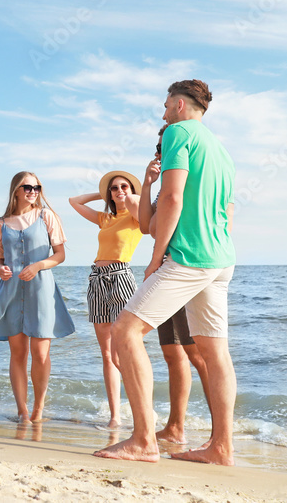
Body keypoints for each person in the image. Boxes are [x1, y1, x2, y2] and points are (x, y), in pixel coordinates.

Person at [95, 79, 236, 466]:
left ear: (177, 105)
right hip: (221, 258)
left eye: (164, 106)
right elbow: (227, 210)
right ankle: (222, 448)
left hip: (188, 256)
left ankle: (143, 440)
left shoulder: (177, 132)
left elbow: (172, 198)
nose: (162, 113)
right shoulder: (220, 149)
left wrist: (157, 258)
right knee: (215, 352)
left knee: (125, 332)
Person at [0, 171, 74, 423]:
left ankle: (38, 408)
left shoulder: (47, 216)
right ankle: (22, 411)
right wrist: (1, 268)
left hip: (41, 289)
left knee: (41, 353)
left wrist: (39, 265)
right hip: (9, 291)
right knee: (17, 354)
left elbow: (60, 254)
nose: (33, 191)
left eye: (37, 187)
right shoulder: (2, 223)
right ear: (16, 191)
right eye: (28, 187)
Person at [138, 125, 211, 445]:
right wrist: (146, 183)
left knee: (198, 354)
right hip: (171, 267)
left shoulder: (189, 180)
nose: (159, 153)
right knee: (173, 353)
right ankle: (176, 426)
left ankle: (218, 432)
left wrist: (156, 258)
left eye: (162, 148)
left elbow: (158, 226)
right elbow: (145, 225)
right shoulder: (164, 185)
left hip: (182, 268)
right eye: (156, 149)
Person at [68, 171, 143, 429]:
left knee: (122, 353)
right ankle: (115, 417)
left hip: (121, 279)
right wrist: (103, 194)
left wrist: (130, 195)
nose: (119, 190)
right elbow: (74, 201)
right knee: (107, 356)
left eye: (124, 186)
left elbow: (147, 212)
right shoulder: (106, 218)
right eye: (114, 188)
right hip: (97, 279)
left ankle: (143, 411)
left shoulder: (136, 216)